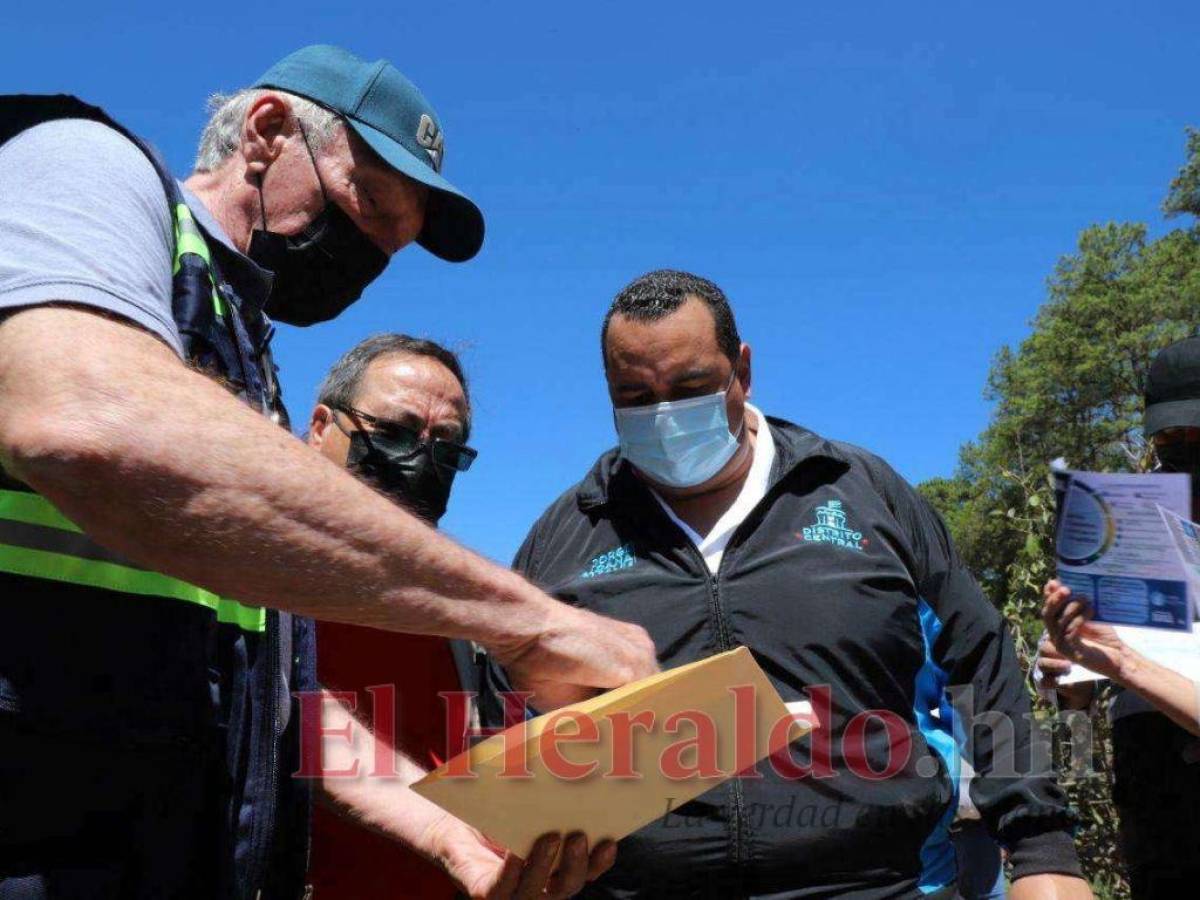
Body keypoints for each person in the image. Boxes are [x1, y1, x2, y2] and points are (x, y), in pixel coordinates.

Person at [0, 46, 654, 899]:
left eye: (393, 246)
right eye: (369, 204)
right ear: (268, 130)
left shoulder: (246, 367)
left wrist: (447, 829)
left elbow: (280, 696)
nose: (370, 255)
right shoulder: (80, 162)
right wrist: (525, 623)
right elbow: (86, 417)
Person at [484, 269, 1090, 899]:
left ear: (742, 371)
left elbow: (980, 660)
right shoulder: (565, 537)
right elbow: (504, 723)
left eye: (691, 387)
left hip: (876, 886)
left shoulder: (863, 492)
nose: (665, 417)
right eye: (635, 397)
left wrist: (1043, 850)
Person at [302, 333, 573, 899]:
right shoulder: (253, 588)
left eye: (446, 447)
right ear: (323, 427)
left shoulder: (456, 620)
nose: (419, 460)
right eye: (394, 432)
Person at [1038, 336, 1200, 899]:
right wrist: (1069, 676)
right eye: (1171, 439)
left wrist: (1125, 663)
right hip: (1156, 805)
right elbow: (1076, 716)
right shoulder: (1122, 526)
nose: (1184, 451)